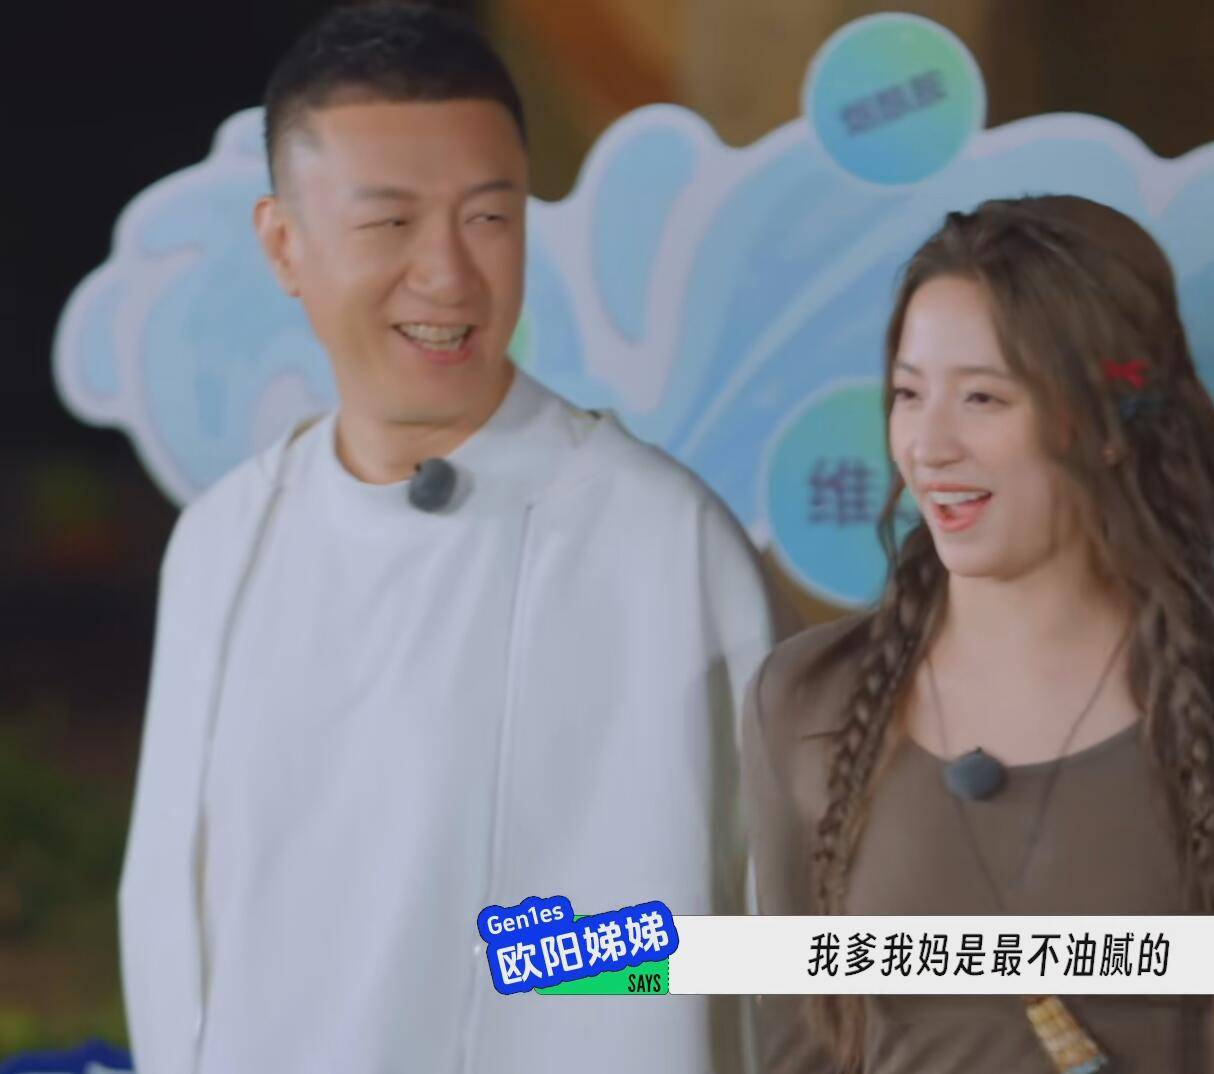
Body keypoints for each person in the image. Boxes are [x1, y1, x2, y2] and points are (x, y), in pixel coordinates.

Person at [116, 6, 780, 1072]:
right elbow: (172, 917)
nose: (449, 275)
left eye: (488, 218)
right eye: (389, 223)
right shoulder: (222, 540)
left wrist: (563, 975)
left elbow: (759, 932)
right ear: (284, 244)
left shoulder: (659, 543)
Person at [744, 195, 1214, 1073]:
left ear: (1104, 423)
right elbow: (795, 1047)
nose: (930, 445)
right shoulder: (805, 695)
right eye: (909, 394)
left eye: (983, 397)